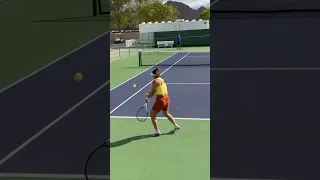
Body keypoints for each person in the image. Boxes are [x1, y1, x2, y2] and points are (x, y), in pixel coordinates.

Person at [145, 68, 180, 136]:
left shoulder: (155, 81)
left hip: (160, 100)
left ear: (153, 75)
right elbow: (158, 90)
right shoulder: (162, 79)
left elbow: (152, 93)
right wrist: (148, 94)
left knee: (152, 116)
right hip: (167, 99)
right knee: (166, 113)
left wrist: (147, 97)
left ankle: (157, 131)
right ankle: (176, 125)